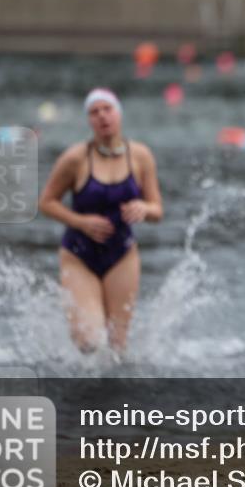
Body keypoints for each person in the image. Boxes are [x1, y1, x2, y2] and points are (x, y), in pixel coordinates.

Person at [39, 88, 163, 354]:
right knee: (89, 341)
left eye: (108, 110)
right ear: (89, 121)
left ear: (119, 114)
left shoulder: (140, 156)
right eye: (95, 112)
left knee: (117, 348)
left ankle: (113, 397)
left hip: (122, 255)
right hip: (78, 254)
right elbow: (46, 202)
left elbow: (157, 211)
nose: (102, 116)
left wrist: (144, 207)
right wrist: (80, 222)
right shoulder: (75, 158)